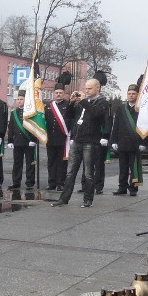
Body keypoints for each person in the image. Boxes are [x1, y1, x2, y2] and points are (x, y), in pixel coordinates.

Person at [52, 71, 110, 208]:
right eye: (86, 88)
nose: (87, 91)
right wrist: (72, 103)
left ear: (98, 88)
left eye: (90, 88)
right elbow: (69, 116)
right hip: (77, 140)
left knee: (88, 172)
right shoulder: (82, 103)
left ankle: (88, 199)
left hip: (91, 141)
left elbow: (96, 115)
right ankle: (63, 199)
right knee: (70, 172)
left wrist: (84, 101)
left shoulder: (103, 103)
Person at [111, 81, 148, 196]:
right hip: (122, 142)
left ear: (137, 95)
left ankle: (133, 189)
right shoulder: (121, 108)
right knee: (123, 168)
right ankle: (122, 188)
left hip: (135, 143)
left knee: (134, 167)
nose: (131, 95)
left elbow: (145, 126)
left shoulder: (142, 108)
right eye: (129, 93)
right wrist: (114, 141)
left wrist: (143, 143)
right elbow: (116, 125)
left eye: (133, 93)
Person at [6, 89, 39, 190]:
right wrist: (10, 140)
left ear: (26, 100)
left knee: (30, 163)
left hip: (29, 141)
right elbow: (10, 127)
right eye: (18, 99)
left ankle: (30, 182)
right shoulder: (14, 113)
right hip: (18, 142)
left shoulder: (31, 112)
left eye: (21, 99)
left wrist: (34, 140)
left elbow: (35, 127)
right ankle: (16, 182)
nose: (19, 101)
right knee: (17, 163)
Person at [45, 72, 72, 191]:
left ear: (64, 94)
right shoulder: (48, 106)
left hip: (63, 138)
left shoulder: (68, 105)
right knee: (51, 162)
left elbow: (71, 121)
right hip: (50, 138)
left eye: (60, 93)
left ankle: (61, 183)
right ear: (54, 94)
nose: (58, 95)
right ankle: (51, 183)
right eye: (56, 93)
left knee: (62, 163)